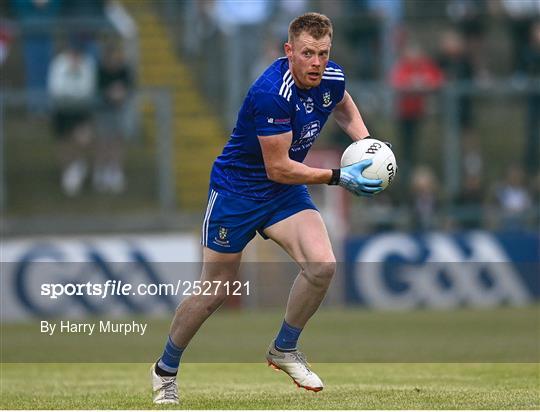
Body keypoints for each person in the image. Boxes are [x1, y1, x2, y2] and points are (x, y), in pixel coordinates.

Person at [151, 12, 385, 404]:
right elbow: (277, 167)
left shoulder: (330, 76)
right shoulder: (270, 94)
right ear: (289, 51)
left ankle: (284, 348)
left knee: (322, 265)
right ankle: (165, 370)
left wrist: (368, 146)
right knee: (215, 291)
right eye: (308, 53)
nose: (316, 63)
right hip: (237, 193)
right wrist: (338, 176)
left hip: (283, 194)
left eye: (323, 53)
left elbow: (341, 104)